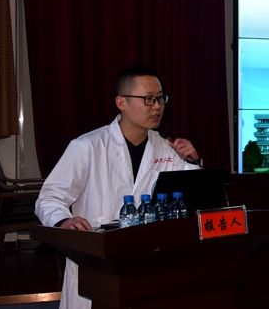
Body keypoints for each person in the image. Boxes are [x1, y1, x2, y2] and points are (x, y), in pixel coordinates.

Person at [35, 65, 201, 309]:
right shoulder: (88, 146)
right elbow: (49, 197)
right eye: (148, 99)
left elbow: (191, 195)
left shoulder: (167, 147)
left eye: (160, 98)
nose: (157, 106)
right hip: (96, 260)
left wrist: (193, 161)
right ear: (121, 102)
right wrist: (63, 221)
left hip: (146, 260)